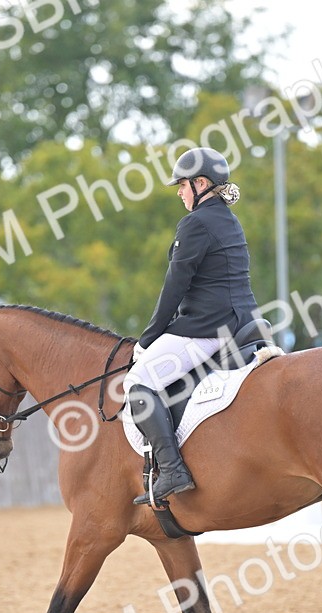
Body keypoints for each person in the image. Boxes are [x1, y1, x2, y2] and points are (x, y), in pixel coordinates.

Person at [124, 147, 259, 506]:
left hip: (208, 328)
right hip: (244, 322)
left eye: (182, 185)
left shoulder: (196, 223)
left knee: (138, 382)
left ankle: (172, 470)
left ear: (201, 183)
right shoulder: (227, 218)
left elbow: (175, 285)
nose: (179, 192)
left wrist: (149, 338)